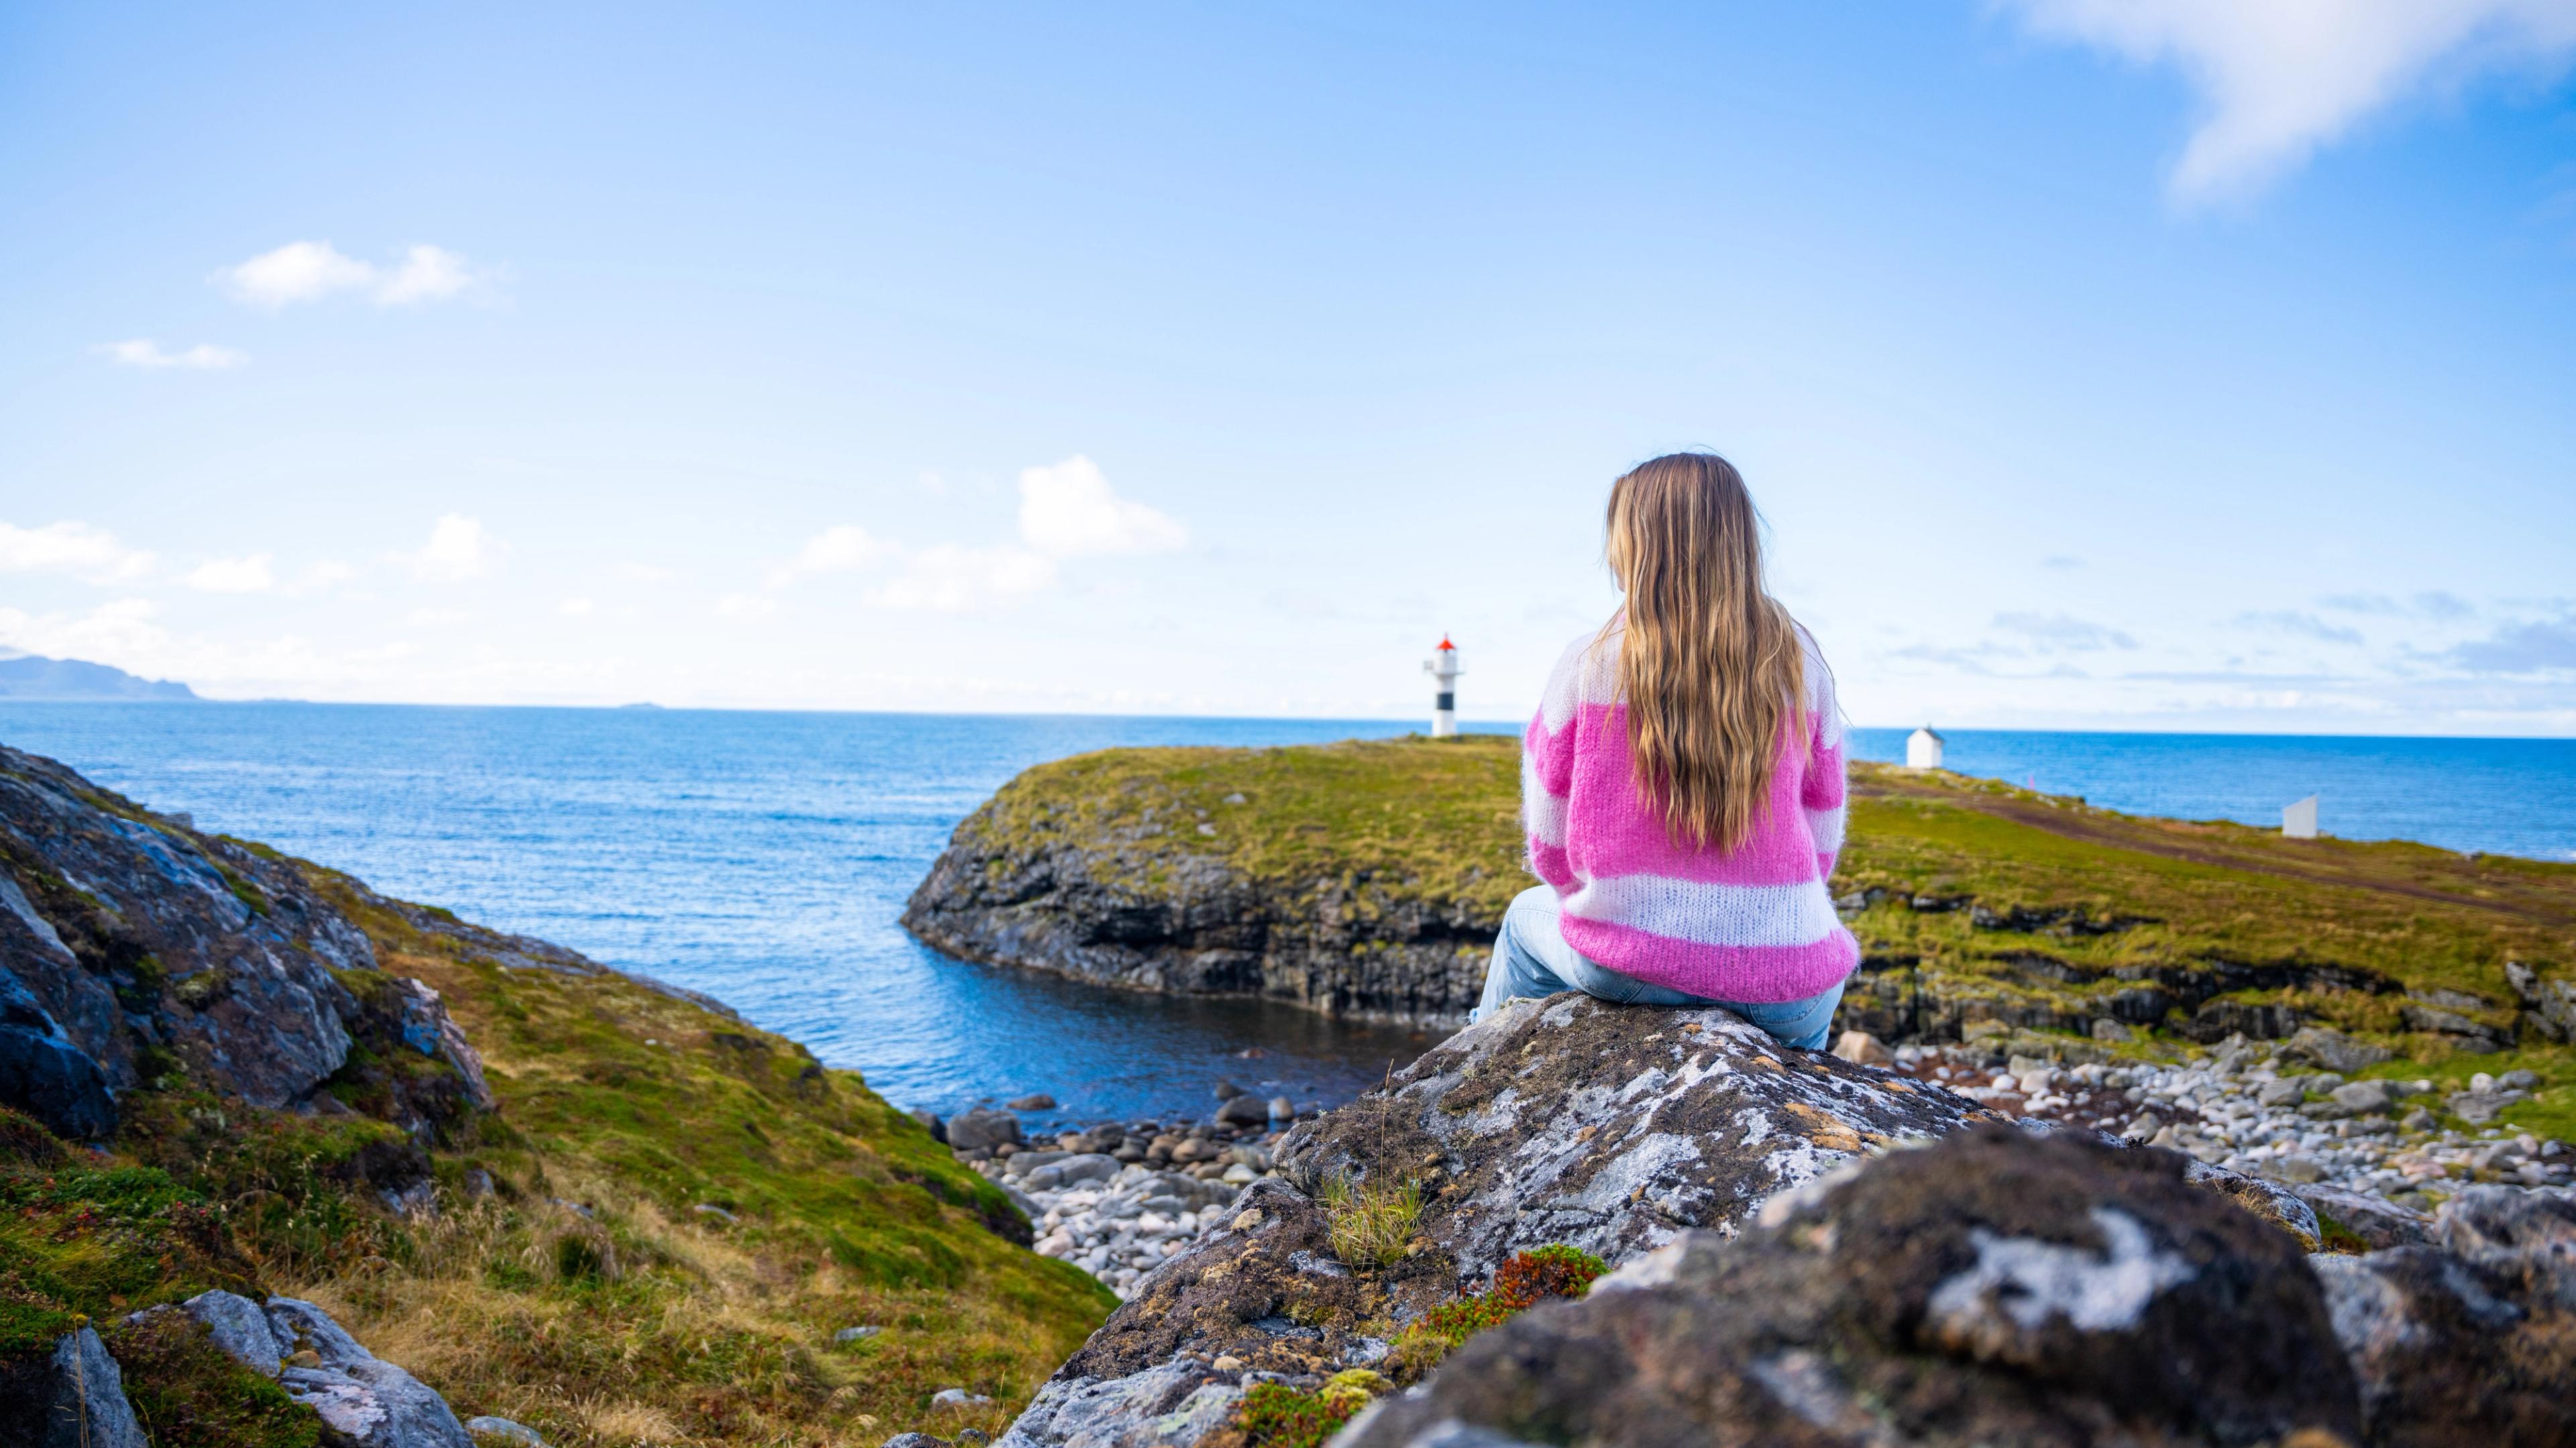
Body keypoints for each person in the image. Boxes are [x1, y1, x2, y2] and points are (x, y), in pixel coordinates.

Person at [1475, 451, 1854, 1048]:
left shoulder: (1587, 662)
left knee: (1524, 918)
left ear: (1638, 544)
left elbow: (1549, 847)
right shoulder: (1801, 661)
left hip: (1630, 967)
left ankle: (1473, 1069)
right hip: (1790, 990)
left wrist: (1622, 916)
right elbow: (1824, 840)